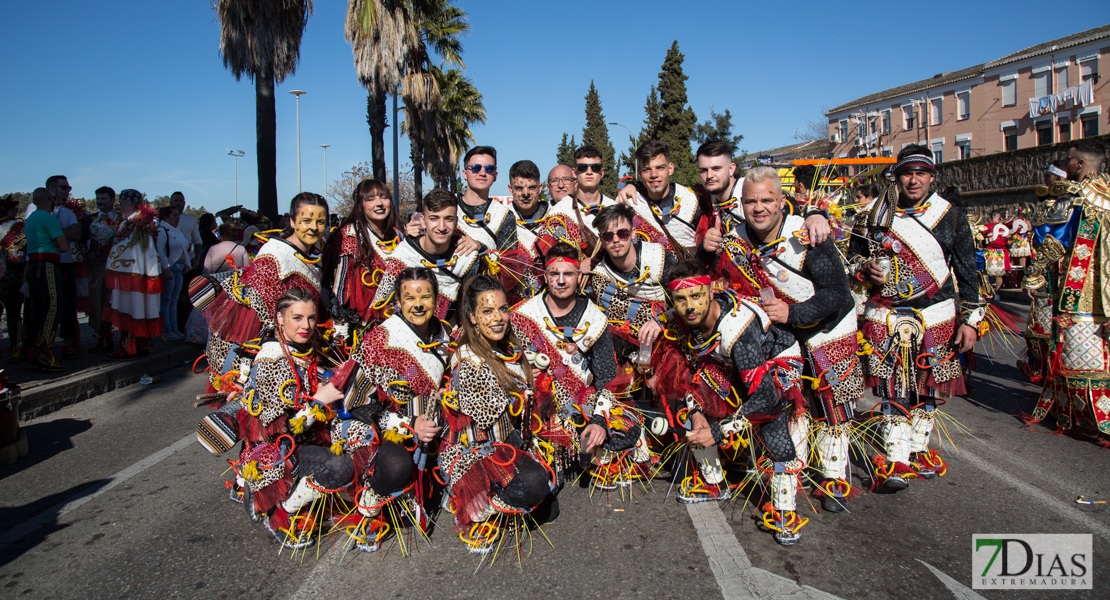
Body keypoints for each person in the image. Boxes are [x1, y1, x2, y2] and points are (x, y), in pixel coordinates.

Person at [707, 167, 863, 513]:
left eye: (766, 200)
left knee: (830, 405)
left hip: (828, 328)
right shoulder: (735, 241)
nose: (758, 207)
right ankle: (792, 477)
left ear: (781, 202)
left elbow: (837, 293)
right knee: (790, 404)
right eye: (751, 201)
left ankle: (835, 477)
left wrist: (793, 314)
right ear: (741, 203)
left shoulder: (807, 235)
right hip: (783, 334)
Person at [847, 145, 983, 490]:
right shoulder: (872, 216)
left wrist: (971, 319)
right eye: (908, 173)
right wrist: (865, 268)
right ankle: (895, 458)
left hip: (938, 312)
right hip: (887, 313)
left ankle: (919, 448)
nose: (914, 180)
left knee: (930, 385)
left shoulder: (949, 214)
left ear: (932, 177)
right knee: (893, 384)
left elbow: (967, 270)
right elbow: (850, 263)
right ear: (897, 176)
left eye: (921, 173)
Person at [649, 259, 807, 545]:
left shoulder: (737, 332)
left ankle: (785, 511)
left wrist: (718, 431)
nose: (689, 307)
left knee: (772, 422)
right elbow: (688, 367)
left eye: (696, 296)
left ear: (710, 293)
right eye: (681, 300)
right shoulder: (686, 317)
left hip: (775, 362)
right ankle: (714, 483)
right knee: (691, 403)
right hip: (724, 361)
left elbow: (764, 399)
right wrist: (697, 412)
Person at [195, 287, 346, 549]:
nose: (306, 325)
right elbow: (275, 429)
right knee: (340, 468)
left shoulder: (304, 345)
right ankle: (281, 511)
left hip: (307, 437)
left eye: (311, 318)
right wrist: (319, 401)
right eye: (297, 318)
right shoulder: (271, 360)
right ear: (279, 318)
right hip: (279, 450)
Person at [328, 267, 451, 549]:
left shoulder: (444, 334)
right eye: (409, 298)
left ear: (436, 299)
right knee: (395, 466)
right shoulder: (379, 340)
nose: (418, 305)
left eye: (426, 297)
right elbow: (354, 403)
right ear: (397, 301)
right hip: (377, 428)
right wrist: (408, 424)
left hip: (428, 427)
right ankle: (370, 504)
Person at [509, 241, 646, 491]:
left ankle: (592, 454)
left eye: (568, 274)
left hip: (582, 403)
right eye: (554, 274)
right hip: (539, 409)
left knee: (627, 428)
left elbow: (606, 377)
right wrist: (525, 372)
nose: (561, 281)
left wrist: (599, 421)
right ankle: (559, 457)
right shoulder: (522, 315)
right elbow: (504, 366)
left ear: (578, 276)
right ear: (546, 276)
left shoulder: (596, 318)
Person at [438, 275, 556, 554]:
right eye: (487, 311)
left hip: (509, 444)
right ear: (472, 317)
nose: (498, 317)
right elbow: (494, 432)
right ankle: (470, 499)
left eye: (502, 309)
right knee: (536, 484)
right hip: (477, 452)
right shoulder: (470, 361)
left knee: (549, 502)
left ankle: (502, 496)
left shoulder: (509, 347)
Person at [191, 193, 328, 388]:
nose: (314, 228)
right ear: (292, 220)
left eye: (320, 221)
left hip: (301, 346)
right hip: (270, 357)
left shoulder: (315, 255)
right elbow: (256, 319)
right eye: (306, 220)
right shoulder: (274, 256)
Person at [1023, 139, 1110, 440]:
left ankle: (1092, 419)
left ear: (1081, 164)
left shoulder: (1075, 198)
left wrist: (1034, 274)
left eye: (1070, 159)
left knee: (1079, 356)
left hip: (1081, 291)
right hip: (1104, 290)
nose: (1067, 164)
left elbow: (1055, 241)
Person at [321, 178, 420, 336]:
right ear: (360, 204)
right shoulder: (350, 235)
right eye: (371, 199)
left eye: (384, 197)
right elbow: (339, 288)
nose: (379, 203)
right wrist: (341, 330)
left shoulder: (399, 232)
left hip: (399, 321)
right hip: (361, 327)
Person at [371, 188, 482, 325]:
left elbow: (469, 309)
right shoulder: (403, 255)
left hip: (448, 336)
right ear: (423, 221)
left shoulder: (467, 257)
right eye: (434, 218)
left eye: (448, 219)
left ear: (456, 222)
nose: (441, 227)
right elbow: (381, 305)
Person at [694, 141, 832, 244]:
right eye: (703, 170)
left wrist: (814, 215)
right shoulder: (704, 199)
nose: (709, 175)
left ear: (731, 169)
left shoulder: (751, 186)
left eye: (716, 168)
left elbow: (790, 206)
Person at [584, 204, 671, 358]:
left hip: (669, 338)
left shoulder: (659, 258)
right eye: (608, 236)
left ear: (632, 233)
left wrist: (661, 321)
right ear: (602, 241)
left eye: (622, 233)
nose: (616, 240)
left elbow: (683, 302)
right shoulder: (599, 277)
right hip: (630, 353)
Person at [613, 140, 705, 260]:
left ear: (670, 168)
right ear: (640, 173)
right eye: (647, 170)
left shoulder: (693, 200)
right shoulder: (630, 206)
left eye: (660, 168)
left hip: (691, 274)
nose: (654, 174)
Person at [103, 189, 163, 360]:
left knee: (130, 306)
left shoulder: (134, 223)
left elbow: (126, 245)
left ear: (130, 205)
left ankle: (129, 348)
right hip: (139, 272)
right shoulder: (142, 222)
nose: (119, 206)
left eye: (121, 203)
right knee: (139, 306)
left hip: (130, 274)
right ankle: (142, 346)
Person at [537, 146, 619, 258]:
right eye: (583, 168)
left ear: (602, 172)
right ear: (574, 173)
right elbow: (545, 257)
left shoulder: (615, 208)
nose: (589, 172)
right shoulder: (559, 210)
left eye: (595, 167)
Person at [21, 188, 69, 371]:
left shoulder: (30, 219)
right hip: (47, 264)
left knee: (36, 309)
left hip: (32, 266)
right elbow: (64, 246)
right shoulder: (48, 218)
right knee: (52, 308)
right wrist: (56, 242)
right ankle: (43, 352)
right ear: (50, 199)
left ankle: (33, 349)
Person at [456, 146, 519, 261]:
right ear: (464, 174)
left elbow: (510, 264)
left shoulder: (503, 215)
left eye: (489, 169)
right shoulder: (448, 206)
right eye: (476, 168)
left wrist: (482, 248)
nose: (483, 173)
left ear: (495, 175)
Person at [46, 176, 81, 359]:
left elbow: (76, 233)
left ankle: (69, 344)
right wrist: (62, 233)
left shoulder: (67, 212)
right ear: (51, 189)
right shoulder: (35, 210)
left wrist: (54, 232)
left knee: (68, 304)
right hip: (43, 263)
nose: (68, 191)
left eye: (69, 187)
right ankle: (41, 347)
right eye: (64, 187)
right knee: (45, 306)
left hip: (65, 263)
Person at [87, 187, 119, 351]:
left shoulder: (120, 219)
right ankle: (102, 336)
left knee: (114, 300)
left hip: (115, 265)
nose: (100, 202)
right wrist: (88, 253)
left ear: (113, 200)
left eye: (103, 199)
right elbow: (83, 239)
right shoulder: (90, 219)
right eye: (98, 199)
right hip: (96, 264)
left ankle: (120, 337)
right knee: (97, 299)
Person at [157, 206, 192, 341]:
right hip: (170, 268)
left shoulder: (177, 231)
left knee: (173, 300)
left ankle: (174, 328)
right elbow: (160, 251)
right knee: (166, 300)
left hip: (179, 268)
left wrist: (187, 264)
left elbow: (185, 248)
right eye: (175, 215)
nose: (178, 218)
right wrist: (165, 268)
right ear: (166, 218)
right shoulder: (162, 230)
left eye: (178, 215)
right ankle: (167, 329)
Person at [0, 195, 27, 359]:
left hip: (6, 276)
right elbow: (19, 257)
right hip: (11, 277)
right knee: (13, 312)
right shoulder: (18, 228)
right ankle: (16, 346)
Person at [169, 192, 203, 270]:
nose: (178, 203)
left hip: (187, 262)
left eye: (181, 201)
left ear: (184, 203)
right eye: (176, 200)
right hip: (169, 262)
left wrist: (197, 258)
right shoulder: (164, 220)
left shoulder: (190, 219)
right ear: (170, 202)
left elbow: (197, 240)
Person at [982, 209, 1011, 294]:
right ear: (999, 217)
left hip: (989, 251)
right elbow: (1008, 241)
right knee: (999, 275)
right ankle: (997, 294)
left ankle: (988, 293)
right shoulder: (1004, 228)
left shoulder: (986, 226)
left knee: (987, 273)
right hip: (1000, 252)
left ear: (991, 217)